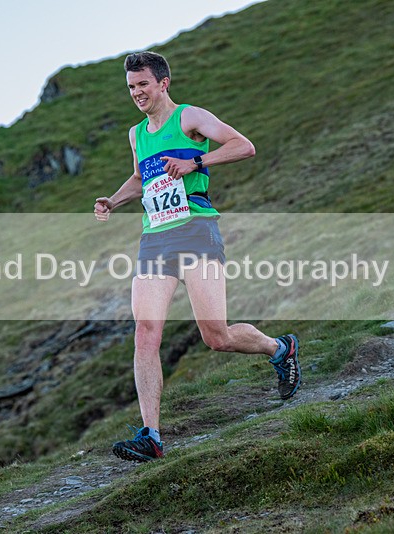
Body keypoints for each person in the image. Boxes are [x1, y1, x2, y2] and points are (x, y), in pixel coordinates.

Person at [93, 51, 300, 463]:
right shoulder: (137, 135)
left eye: (143, 84)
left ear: (163, 83)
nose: (137, 93)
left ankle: (280, 349)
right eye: (131, 87)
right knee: (145, 333)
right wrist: (113, 201)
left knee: (216, 336)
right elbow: (141, 178)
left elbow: (243, 146)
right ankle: (151, 435)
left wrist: (196, 161)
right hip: (155, 239)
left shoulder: (189, 117)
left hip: (196, 231)